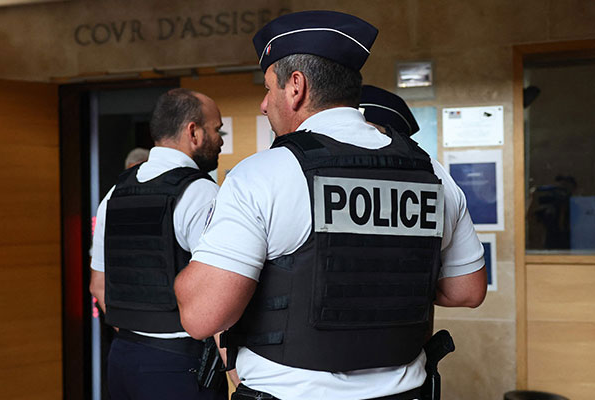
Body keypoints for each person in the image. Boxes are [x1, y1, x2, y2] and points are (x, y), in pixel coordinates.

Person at [174, 10, 487, 400]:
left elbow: (203, 316)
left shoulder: (264, 174)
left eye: (269, 88)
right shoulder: (433, 174)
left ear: (296, 88)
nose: (263, 104)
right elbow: (467, 291)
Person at [89, 88, 226, 400]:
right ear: (194, 131)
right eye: (217, 130)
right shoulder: (202, 194)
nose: (221, 140)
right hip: (180, 364)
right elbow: (218, 297)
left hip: (123, 359)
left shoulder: (115, 193)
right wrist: (237, 374)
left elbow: (98, 286)